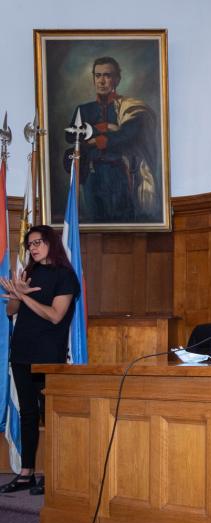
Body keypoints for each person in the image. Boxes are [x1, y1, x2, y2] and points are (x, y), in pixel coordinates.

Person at [0, 225, 81, 495]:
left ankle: (56, 473)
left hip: (48, 355)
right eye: (29, 243)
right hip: (22, 351)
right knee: (27, 413)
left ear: (51, 243)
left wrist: (23, 295)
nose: (32, 248)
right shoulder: (29, 273)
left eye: (38, 242)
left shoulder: (65, 276)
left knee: (51, 414)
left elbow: (56, 315)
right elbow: (12, 311)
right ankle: (27, 473)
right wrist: (16, 295)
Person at [64, 56, 161, 223]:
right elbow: (71, 136)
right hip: (91, 175)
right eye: (98, 75)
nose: (102, 81)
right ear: (93, 78)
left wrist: (94, 139)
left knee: (123, 226)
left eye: (107, 76)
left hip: (119, 174)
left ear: (117, 79)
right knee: (94, 225)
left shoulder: (126, 107)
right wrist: (104, 127)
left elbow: (126, 136)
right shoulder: (83, 109)